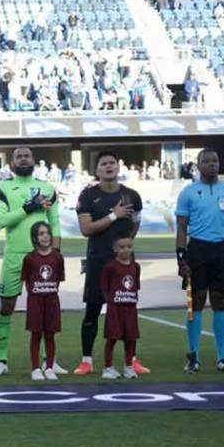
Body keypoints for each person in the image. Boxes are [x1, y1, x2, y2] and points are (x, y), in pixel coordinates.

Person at [0, 146, 61, 376]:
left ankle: (49, 360)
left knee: (44, 306)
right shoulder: (3, 188)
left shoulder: (48, 188)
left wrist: (55, 252)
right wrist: (28, 207)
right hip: (14, 255)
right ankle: (1, 359)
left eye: (26, 155)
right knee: (7, 305)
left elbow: (54, 221)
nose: (22, 159)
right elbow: (2, 220)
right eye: (18, 156)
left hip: (42, 257)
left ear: (34, 160)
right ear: (11, 163)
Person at [73, 151, 145, 376]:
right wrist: (114, 216)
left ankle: (131, 360)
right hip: (98, 261)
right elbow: (86, 229)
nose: (108, 166)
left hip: (124, 265)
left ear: (118, 166)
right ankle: (86, 360)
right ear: (97, 170)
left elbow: (135, 225)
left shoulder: (132, 195)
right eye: (103, 164)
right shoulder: (87, 195)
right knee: (93, 309)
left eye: (112, 162)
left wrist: (124, 249)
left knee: (127, 310)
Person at [176, 147, 224, 373]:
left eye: (215, 160)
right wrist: (181, 258)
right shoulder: (189, 192)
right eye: (206, 161)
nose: (212, 164)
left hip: (222, 250)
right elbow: (182, 227)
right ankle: (193, 356)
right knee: (197, 302)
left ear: (219, 163)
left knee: (220, 302)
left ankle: (222, 357)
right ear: (199, 164)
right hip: (198, 250)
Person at [21, 222, 65, 382]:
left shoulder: (57, 257)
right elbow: (26, 280)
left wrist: (48, 290)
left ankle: (50, 367)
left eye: (47, 233)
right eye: (41, 233)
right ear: (35, 237)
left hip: (52, 300)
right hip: (35, 301)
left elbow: (58, 279)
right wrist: (36, 292)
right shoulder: (30, 258)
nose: (45, 236)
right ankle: (35, 368)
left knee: (50, 335)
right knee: (36, 334)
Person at [100, 237, 141, 379]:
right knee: (112, 338)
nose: (126, 249)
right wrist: (112, 303)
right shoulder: (110, 267)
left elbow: (136, 287)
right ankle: (108, 368)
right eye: (122, 247)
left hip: (130, 309)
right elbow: (105, 288)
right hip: (115, 309)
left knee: (130, 338)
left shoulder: (136, 267)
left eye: (129, 246)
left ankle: (128, 367)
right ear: (115, 249)